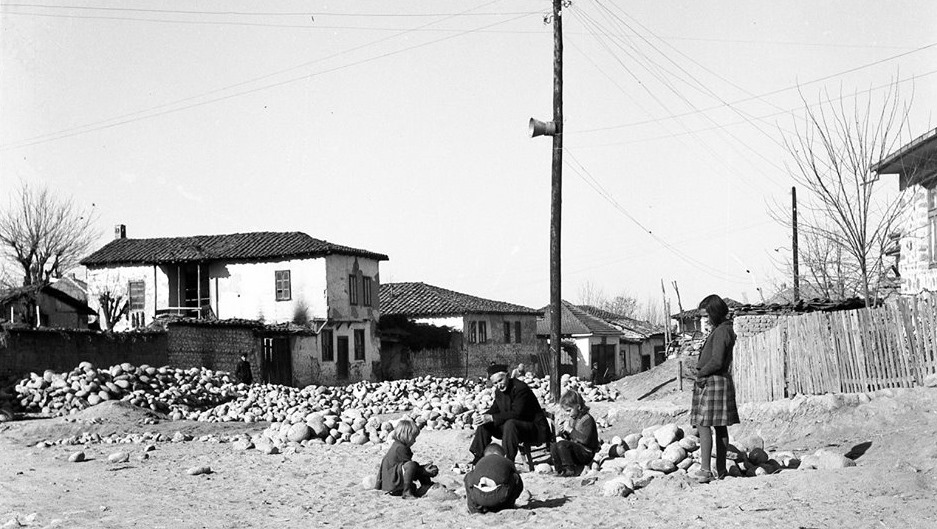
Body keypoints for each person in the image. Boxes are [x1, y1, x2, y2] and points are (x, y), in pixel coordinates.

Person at [690, 294, 740, 483]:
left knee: (704, 424)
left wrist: (701, 373)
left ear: (715, 313)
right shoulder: (722, 329)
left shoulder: (721, 332)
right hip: (718, 380)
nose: (705, 320)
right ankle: (721, 470)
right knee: (719, 427)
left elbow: (717, 360)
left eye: (706, 316)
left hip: (714, 380)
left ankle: (705, 469)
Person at [469, 364, 551, 465]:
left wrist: (492, 417)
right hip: (513, 429)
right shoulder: (499, 392)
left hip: (534, 428)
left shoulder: (520, 388)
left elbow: (517, 414)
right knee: (485, 423)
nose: (499, 385)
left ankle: (508, 461)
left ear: (508, 376)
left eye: (500, 380)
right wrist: (481, 417)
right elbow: (494, 409)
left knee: (510, 423)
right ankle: (478, 457)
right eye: (495, 383)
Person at [375, 418, 439, 498]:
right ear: (406, 436)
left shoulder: (399, 445)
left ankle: (426, 485)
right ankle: (407, 492)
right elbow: (410, 468)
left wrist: (423, 469)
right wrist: (424, 471)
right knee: (412, 465)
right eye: (413, 438)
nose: (414, 441)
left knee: (416, 467)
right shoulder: (399, 448)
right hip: (392, 481)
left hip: (394, 478)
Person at [550, 389, 599, 477]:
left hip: (586, 452)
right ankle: (559, 469)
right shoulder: (573, 419)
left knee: (562, 445)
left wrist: (570, 430)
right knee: (554, 445)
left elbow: (584, 440)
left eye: (569, 410)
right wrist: (563, 433)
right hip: (577, 450)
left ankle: (570, 469)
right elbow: (571, 439)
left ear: (579, 407)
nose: (568, 414)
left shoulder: (587, 419)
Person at [464, 443, 524, 514]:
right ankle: (507, 506)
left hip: (478, 497)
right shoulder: (506, 461)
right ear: (504, 455)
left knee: (469, 476)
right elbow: (518, 481)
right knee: (515, 477)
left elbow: (471, 478)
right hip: (500, 496)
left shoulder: (480, 462)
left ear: (484, 455)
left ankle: (474, 509)